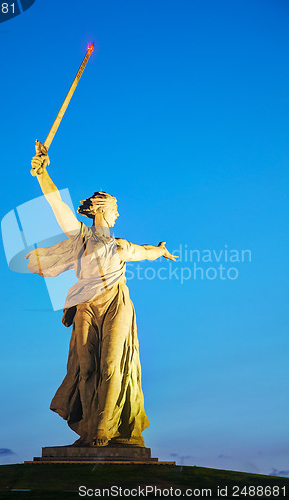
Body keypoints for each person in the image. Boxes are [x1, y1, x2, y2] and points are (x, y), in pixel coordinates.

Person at [26, 141, 178, 447]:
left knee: (110, 365)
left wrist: (160, 251)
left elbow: (145, 252)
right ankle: (89, 426)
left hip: (115, 303)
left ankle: (102, 430)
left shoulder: (120, 245)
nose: (118, 214)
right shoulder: (81, 237)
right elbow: (59, 207)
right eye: (116, 209)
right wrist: (43, 173)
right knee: (87, 367)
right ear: (102, 209)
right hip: (86, 304)